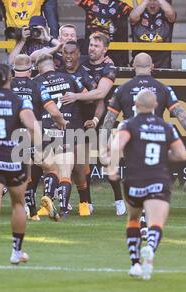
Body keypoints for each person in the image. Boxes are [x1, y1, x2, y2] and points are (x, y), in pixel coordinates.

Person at [101, 52, 186, 239]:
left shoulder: (123, 89)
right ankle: (146, 217)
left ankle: (138, 216)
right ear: (152, 67)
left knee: (135, 175)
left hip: (131, 136)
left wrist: (102, 144)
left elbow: (109, 119)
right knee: (153, 176)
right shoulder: (163, 88)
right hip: (156, 136)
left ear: (133, 67)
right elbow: (181, 115)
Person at [106, 90, 186, 280]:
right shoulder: (166, 126)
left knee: (133, 218)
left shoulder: (128, 124)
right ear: (156, 106)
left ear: (136, 105)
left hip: (135, 180)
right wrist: (164, 155)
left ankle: (135, 264)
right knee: (156, 222)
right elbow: (182, 155)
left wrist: (112, 167)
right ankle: (150, 247)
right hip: (158, 179)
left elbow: (117, 146)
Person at [0, 64, 42, 265]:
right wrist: (31, 147)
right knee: (18, 204)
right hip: (14, 159)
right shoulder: (19, 100)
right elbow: (33, 127)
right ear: (11, 78)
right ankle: (16, 252)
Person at [61, 32, 126, 216]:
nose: (92, 49)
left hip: (103, 116)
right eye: (91, 45)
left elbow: (100, 94)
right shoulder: (79, 60)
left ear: (105, 49)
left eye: (97, 46)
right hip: (80, 116)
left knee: (106, 159)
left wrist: (75, 96)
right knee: (81, 161)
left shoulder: (109, 67)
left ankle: (118, 199)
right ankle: (87, 202)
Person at [10, 54, 67, 220]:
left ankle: (32, 211)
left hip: (13, 137)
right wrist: (61, 121)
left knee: (24, 175)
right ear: (30, 69)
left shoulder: (8, 86)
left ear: (14, 69)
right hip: (34, 135)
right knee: (51, 168)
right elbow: (54, 112)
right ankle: (48, 196)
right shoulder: (37, 85)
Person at [34, 54, 89, 219]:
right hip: (70, 126)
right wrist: (77, 98)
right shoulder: (70, 78)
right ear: (54, 65)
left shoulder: (36, 83)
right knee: (73, 169)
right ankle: (82, 205)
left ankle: (45, 206)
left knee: (50, 169)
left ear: (38, 68)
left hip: (47, 128)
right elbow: (88, 97)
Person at [59, 41, 105, 216]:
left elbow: (100, 100)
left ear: (78, 54)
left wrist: (94, 118)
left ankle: (85, 202)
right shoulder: (56, 73)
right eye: (65, 53)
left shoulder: (84, 76)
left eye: (72, 53)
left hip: (78, 125)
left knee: (79, 167)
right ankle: (60, 202)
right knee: (55, 166)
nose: (68, 57)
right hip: (57, 125)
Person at [0, 0, 59, 65]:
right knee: (11, 67)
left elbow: (61, 46)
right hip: (14, 46)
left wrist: (48, 38)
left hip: (35, 43)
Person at [76, 0, 133, 66]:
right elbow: (77, 2)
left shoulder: (120, 5)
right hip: (92, 45)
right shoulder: (90, 2)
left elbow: (134, 16)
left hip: (111, 48)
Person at [129, 0, 176, 69]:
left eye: (155, 0)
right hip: (140, 65)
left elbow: (171, 14)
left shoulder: (165, 15)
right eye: (150, 0)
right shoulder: (139, 13)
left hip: (163, 65)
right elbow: (132, 17)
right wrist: (145, 1)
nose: (152, 3)